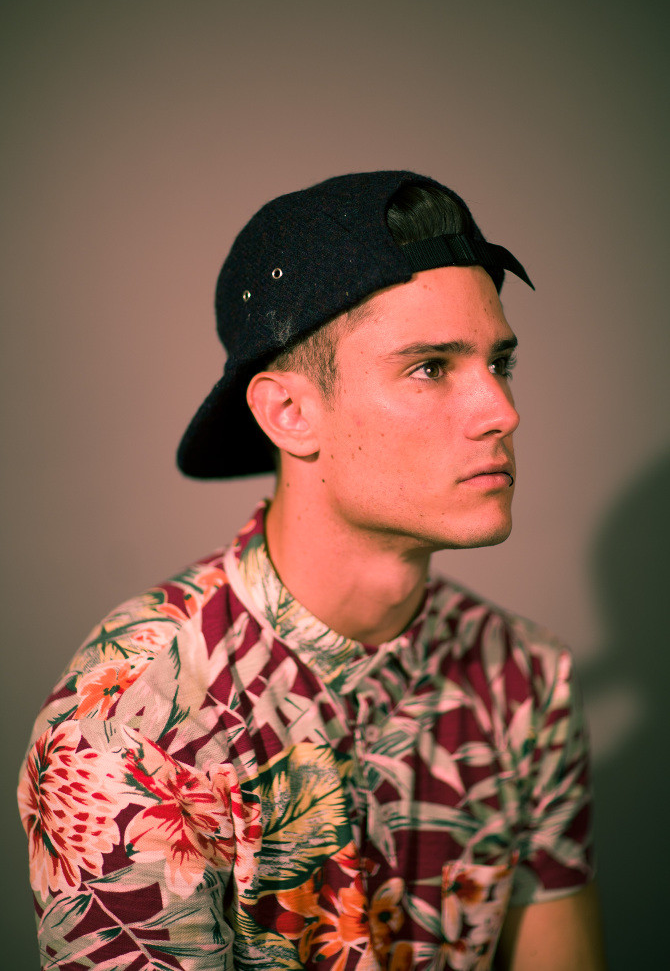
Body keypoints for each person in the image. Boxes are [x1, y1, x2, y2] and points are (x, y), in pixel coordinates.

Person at [18, 171, 606, 970]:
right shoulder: (135, 722)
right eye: (431, 367)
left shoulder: (526, 681)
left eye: (499, 363)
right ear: (289, 413)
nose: (501, 411)